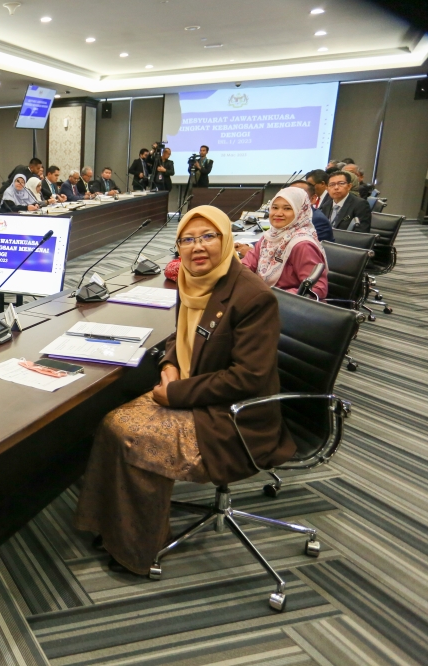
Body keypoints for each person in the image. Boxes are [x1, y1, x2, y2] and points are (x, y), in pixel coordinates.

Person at [73, 205, 295, 575]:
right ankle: (110, 525)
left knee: (135, 435)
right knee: (112, 421)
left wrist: (174, 393)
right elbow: (182, 335)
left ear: (226, 241)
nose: (198, 247)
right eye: (188, 240)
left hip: (236, 416)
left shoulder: (252, 296)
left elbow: (248, 378)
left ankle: (137, 547)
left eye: (208, 236)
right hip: (195, 388)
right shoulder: (193, 281)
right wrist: (170, 365)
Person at [235, 187, 329, 299]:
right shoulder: (270, 236)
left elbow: (317, 289)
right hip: (262, 296)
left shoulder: (302, 244)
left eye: (287, 208)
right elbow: (248, 264)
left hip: (286, 306)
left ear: (300, 212)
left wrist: (272, 296)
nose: (278, 213)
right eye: (274, 207)